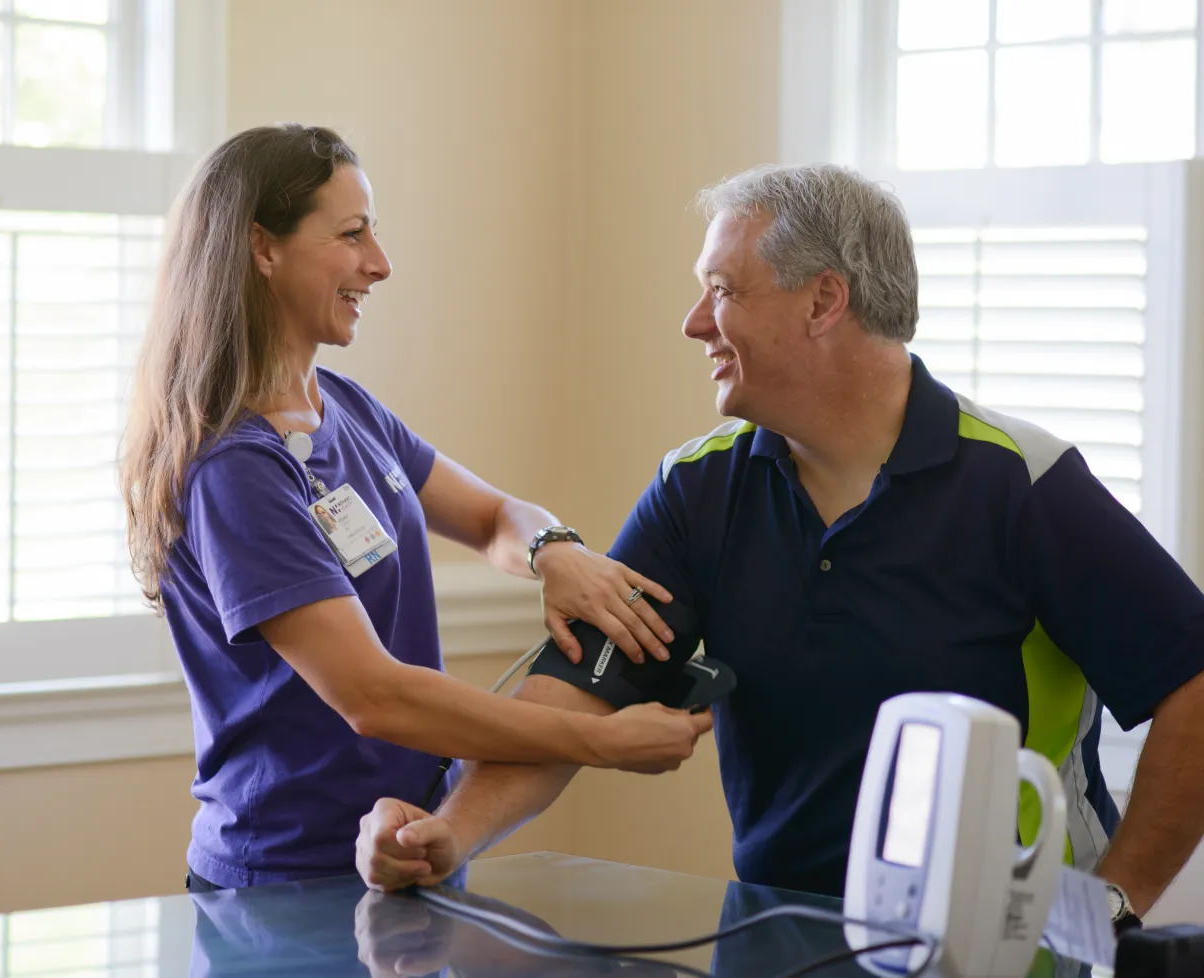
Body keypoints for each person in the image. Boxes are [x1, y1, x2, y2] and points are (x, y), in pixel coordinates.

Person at [355, 163, 1204, 928]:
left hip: (1003, 948)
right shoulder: (698, 488)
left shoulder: (1022, 482)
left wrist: (1115, 904)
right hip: (778, 937)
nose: (694, 323)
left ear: (823, 302)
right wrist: (447, 835)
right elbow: (575, 700)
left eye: (721, 290)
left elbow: (1193, 685)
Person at [119, 124, 713, 892]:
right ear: (263, 247)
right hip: (284, 882)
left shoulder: (347, 410)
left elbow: (495, 516)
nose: (381, 263)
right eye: (352, 234)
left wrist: (552, 551)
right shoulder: (238, 468)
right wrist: (601, 740)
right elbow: (374, 695)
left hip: (405, 854)